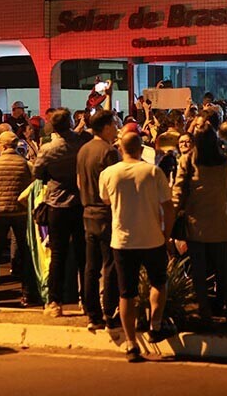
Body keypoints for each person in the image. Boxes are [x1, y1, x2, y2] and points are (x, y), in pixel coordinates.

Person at [99, 132, 177, 362]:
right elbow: (169, 206)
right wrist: (167, 233)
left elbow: (105, 200)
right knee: (158, 282)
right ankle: (155, 325)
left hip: (122, 240)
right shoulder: (153, 172)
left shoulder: (109, 174)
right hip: (152, 237)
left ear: (120, 149)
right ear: (141, 149)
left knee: (127, 292)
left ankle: (131, 343)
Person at [173, 121, 227, 326]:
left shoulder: (187, 161)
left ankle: (205, 313)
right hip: (221, 222)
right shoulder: (225, 163)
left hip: (196, 223)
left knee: (199, 272)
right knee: (224, 271)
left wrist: (174, 215)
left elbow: (178, 193)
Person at [34, 108, 86, 317]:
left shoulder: (48, 149)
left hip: (57, 204)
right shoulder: (82, 143)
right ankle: (86, 299)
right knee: (84, 255)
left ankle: (55, 302)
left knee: (58, 255)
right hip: (81, 202)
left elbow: (37, 172)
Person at [76, 110, 121, 330]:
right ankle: (109, 311)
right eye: (113, 125)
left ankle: (91, 312)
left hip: (87, 212)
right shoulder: (109, 152)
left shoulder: (83, 150)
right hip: (106, 212)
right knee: (110, 264)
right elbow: (114, 186)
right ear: (105, 127)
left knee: (90, 266)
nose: (116, 128)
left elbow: (78, 181)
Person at [0, 131, 35, 307]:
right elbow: (32, 185)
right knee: (26, 254)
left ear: (3, 146)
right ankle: (27, 294)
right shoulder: (25, 164)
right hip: (20, 213)